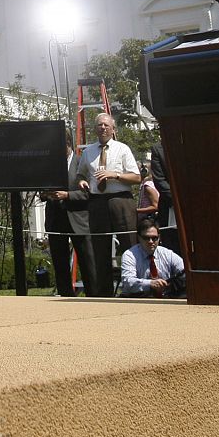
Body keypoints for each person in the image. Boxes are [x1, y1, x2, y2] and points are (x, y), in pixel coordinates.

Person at [80, 113, 141, 292]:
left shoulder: (122, 149)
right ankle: (104, 291)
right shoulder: (88, 152)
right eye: (99, 125)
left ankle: (135, 288)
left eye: (106, 125)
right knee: (100, 248)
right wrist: (81, 181)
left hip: (120, 200)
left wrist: (114, 175)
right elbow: (80, 174)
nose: (103, 128)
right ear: (95, 129)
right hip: (97, 202)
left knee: (129, 245)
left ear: (113, 129)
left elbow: (137, 177)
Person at [42, 136, 99, 297]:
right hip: (56, 220)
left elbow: (89, 193)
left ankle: (94, 296)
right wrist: (47, 193)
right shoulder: (50, 165)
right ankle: (66, 296)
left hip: (78, 220)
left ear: (68, 145)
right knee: (60, 263)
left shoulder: (82, 162)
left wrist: (67, 195)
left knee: (88, 262)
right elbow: (42, 190)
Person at [118, 221, 185, 298]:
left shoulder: (168, 254)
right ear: (139, 238)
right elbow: (128, 282)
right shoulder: (129, 255)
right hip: (137, 300)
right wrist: (150, 284)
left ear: (159, 237)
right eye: (146, 238)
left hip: (165, 299)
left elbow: (185, 271)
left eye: (154, 238)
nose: (151, 241)